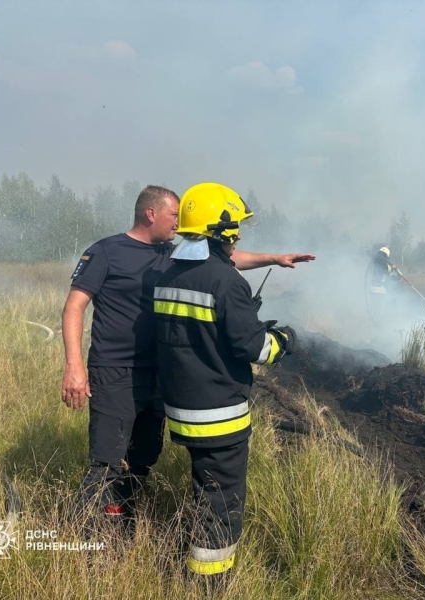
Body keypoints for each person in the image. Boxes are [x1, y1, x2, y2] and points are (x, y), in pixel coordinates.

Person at [60, 184, 313, 529]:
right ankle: (86, 533)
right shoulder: (106, 252)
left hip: (161, 372)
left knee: (143, 455)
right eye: (174, 216)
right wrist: (74, 367)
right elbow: (75, 306)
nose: (180, 224)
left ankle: (122, 521)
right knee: (108, 459)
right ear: (151, 213)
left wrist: (275, 259)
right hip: (116, 370)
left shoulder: (172, 252)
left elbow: (224, 258)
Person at [153, 182, 296, 579]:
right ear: (221, 231)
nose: (238, 237)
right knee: (221, 505)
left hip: (182, 410)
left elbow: (195, 335)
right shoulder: (226, 281)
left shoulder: (169, 273)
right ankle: (209, 581)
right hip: (219, 416)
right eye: (236, 230)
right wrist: (282, 341)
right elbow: (253, 348)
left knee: (203, 489)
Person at [367, 246, 401, 318]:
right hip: (379, 289)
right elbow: (387, 274)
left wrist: (393, 268)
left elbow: (387, 270)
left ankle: (371, 318)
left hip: (372, 288)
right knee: (379, 306)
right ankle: (376, 320)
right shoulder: (383, 263)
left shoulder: (375, 262)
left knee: (374, 305)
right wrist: (397, 276)